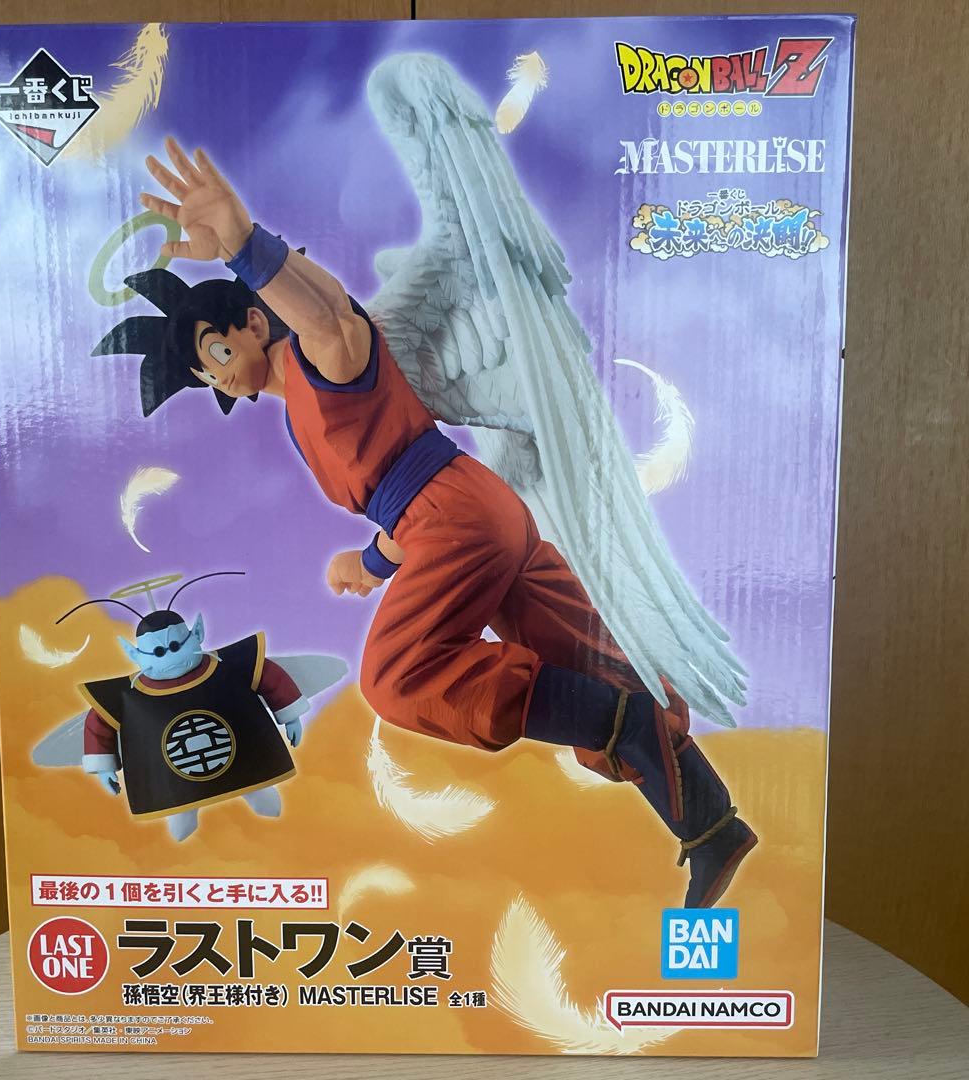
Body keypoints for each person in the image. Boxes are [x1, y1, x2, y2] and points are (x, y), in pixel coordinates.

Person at [93, 137, 756, 905]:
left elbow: (331, 318)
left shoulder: (321, 365)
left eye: (216, 348)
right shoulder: (301, 404)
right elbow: (398, 488)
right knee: (591, 656)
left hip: (456, 516)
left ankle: (624, 720)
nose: (218, 371)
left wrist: (244, 245)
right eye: (203, 368)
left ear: (250, 321)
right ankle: (713, 828)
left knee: (400, 675)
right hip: (470, 511)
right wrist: (372, 562)